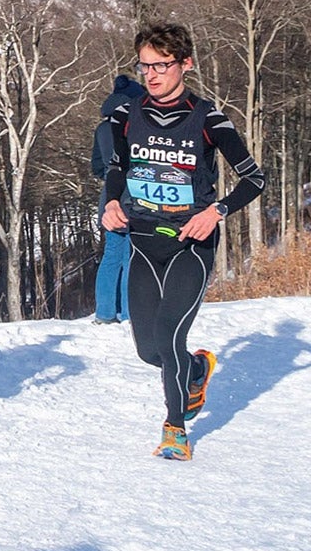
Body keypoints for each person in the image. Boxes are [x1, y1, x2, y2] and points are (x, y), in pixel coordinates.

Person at [99, 24, 266, 462]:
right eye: (145, 65)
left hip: (190, 245)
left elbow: (255, 178)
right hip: (143, 241)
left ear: (185, 64)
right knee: (147, 350)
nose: (152, 75)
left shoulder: (207, 117)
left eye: (162, 65)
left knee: (171, 336)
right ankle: (195, 370)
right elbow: (117, 167)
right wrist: (112, 202)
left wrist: (216, 212)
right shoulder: (126, 114)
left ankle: (175, 429)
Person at [90, 73, 146, 324]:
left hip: (108, 199)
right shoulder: (135, 125)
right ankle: (130, 313)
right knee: (131, 256)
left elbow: (96, 166)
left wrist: (110, 177)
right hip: (135, 197)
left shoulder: (102, 128)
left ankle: (104, 313)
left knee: (111, 255)